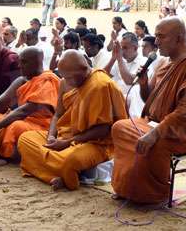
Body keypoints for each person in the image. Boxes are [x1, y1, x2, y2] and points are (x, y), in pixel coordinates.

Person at [111, 17, 186, 204]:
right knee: (119, 127)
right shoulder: (163, 64)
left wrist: (156, 133)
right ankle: (128, 187)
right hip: (156, 123)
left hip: (185, 131)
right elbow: (150, 99)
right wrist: (143, 85)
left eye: (161, 37)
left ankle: (152, 193)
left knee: (154, 142)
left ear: (179, 38)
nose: (156, 42)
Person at [17, 50, 127, 190]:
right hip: (65, 137)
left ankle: (64, 174)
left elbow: (103, 129)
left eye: (69, 77)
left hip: (96, 144)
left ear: (84, 69)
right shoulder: (65, 82)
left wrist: (67, 143)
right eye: (64, 77)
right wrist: (51, 136)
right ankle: (59, 174)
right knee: (25, 139)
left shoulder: (99, 85)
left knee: (70, 161)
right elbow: (57, 114)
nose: (66, 81)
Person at [0, 47, 60, 170]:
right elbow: (0, 102)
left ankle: (6, 159)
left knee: (15, 127)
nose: (19, 65)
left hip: (42, 125)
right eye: (19, 61)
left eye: (24, 62)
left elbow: (25, 111)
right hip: (20, 119)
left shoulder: (48, 80)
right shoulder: (21, 80)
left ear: (37, 62)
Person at [104, 32, 146, 117]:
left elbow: (129, 81)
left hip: (130, 100)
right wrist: (113, 58)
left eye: (125, 48)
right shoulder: (120, 60)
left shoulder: (144, 61)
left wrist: (119, 58)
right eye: (121, 48)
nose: (122, 51)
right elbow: (103, 75)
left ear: (135, 48)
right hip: (116, 96)